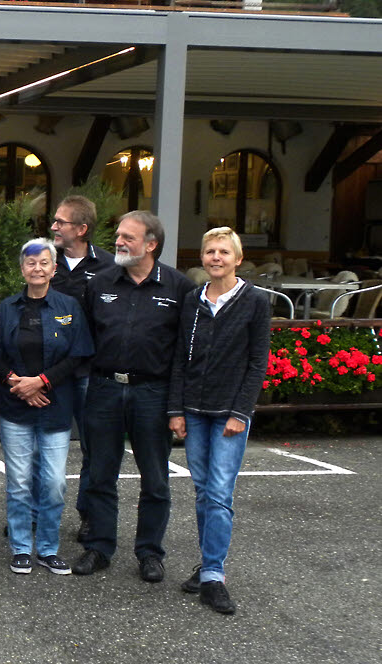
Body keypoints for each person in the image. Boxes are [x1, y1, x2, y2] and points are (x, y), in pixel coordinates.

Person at [73, 211, 195, 582]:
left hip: (153, 393)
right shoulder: (100, 283)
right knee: (100, 474)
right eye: (118, 235)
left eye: (128, 236)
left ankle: (150, 553)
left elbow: (184, 352)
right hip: (105, 389)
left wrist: (177, 405)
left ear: (151, 244)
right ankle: (99, 547)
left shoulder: (179, 287)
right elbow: (85, 337)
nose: (119, 242)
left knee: (155, 479)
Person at [168, 227, 270, 615]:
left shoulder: (255, 301)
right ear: (202, 257)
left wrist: (240, 413)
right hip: (194, 411)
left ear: (237, 259)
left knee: (219, 493)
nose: (216, 257)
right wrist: (176, 410)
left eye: (224, 252)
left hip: (229, 414)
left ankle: (213, 575)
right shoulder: (192, 301)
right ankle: (208, 564)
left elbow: (257, 362)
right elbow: (180, 358)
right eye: (210, 251)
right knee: (203, 491)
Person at [0, 239, 94, 576]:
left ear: (54, 268)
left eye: (44, 262)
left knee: (54, 483)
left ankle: (48, 549)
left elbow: (78, 353)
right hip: (15, 404)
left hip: (55, 406)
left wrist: (42, 382)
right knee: (19, 482)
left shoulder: (68, 306)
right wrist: (18, 384)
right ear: (22, 269)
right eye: (31, 263)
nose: (37, 268)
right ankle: (21, 548)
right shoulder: (7, 307)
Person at [49, 195, 113, 542]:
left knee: (94, 448)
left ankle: (88, 515)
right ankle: (37, 512)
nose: (54, 227)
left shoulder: (108, 266)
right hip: (50, 372)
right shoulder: (44, 260)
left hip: (91, 372)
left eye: (61, 222)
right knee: (43, 444)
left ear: (82, 228)